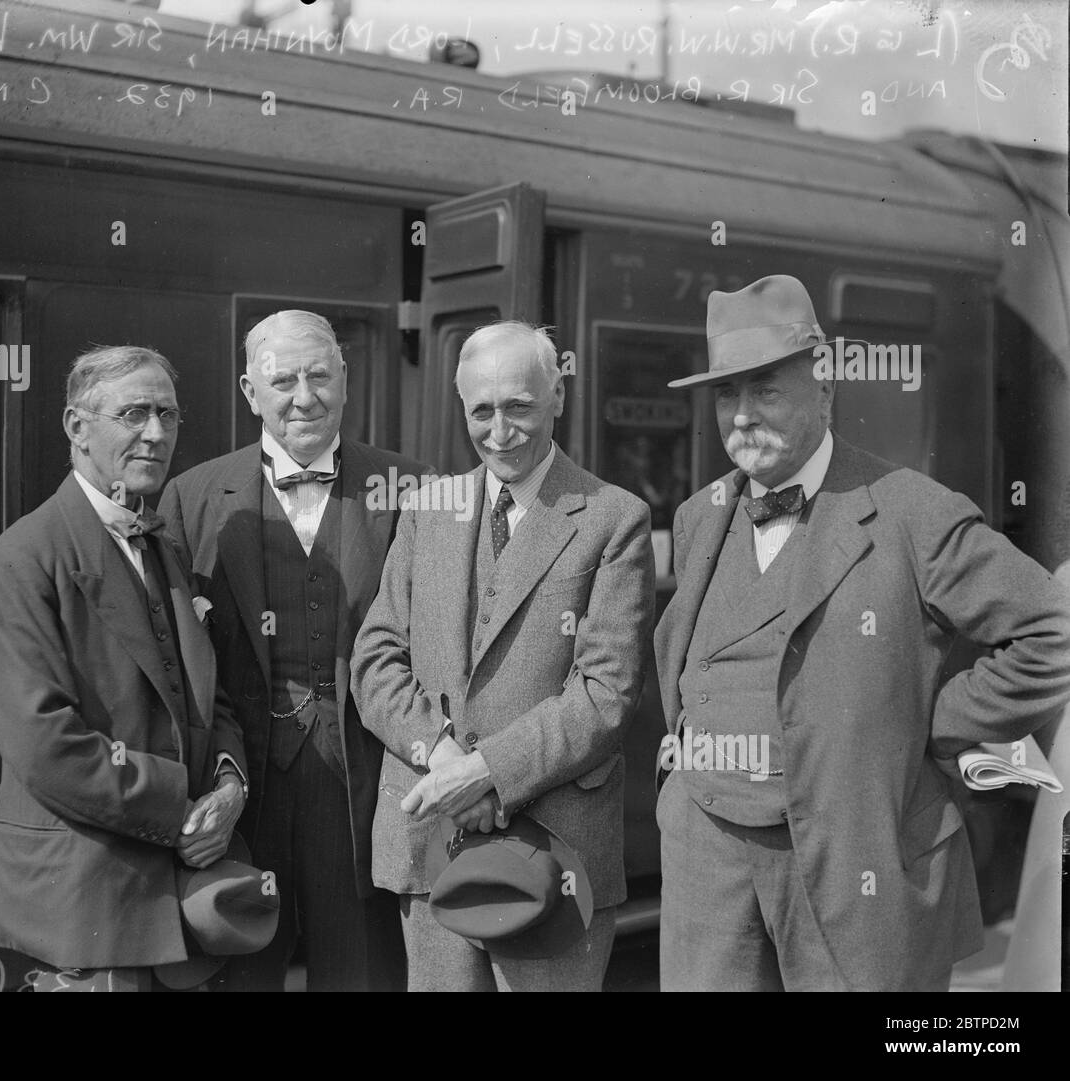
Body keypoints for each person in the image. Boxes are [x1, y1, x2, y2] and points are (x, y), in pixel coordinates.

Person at [654, 274, 1070, 991]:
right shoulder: (701, 515)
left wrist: (935, 723)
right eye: (727, 394)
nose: (742, 416)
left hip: (853, 869)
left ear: (825, 389)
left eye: (766, 390)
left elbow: (1052, 629)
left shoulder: (913, 512)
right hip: (708, 867)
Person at [352, 320, 655, 991]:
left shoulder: (613, 518)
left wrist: (490, 771)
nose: (500, 430)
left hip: (557, 845)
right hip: (433, 843)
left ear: (558, 397)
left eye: (519, 405)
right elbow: (375, 659)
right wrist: (446, 758)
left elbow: (606, 692)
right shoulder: (428, 508)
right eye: (481, 410)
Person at [159, 310, 421, 991]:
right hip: (244, 786)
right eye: (282, 380)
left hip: (361, 784)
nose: (303, 396)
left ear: (345, 379)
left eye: (318, 376)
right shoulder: (191, 498)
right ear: (250, 392)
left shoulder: (412, 488)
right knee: (241, 974)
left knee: (363, 973)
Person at [0, 345, 247, 992]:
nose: (156, 433)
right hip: (87, 897)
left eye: (168, 415)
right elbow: (46, 747)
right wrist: (182, 809)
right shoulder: (23, 560)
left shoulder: (163, 548)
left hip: (176, 899)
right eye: (134, 414)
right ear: (77, 427)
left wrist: (231, 787)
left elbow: (212, 697)